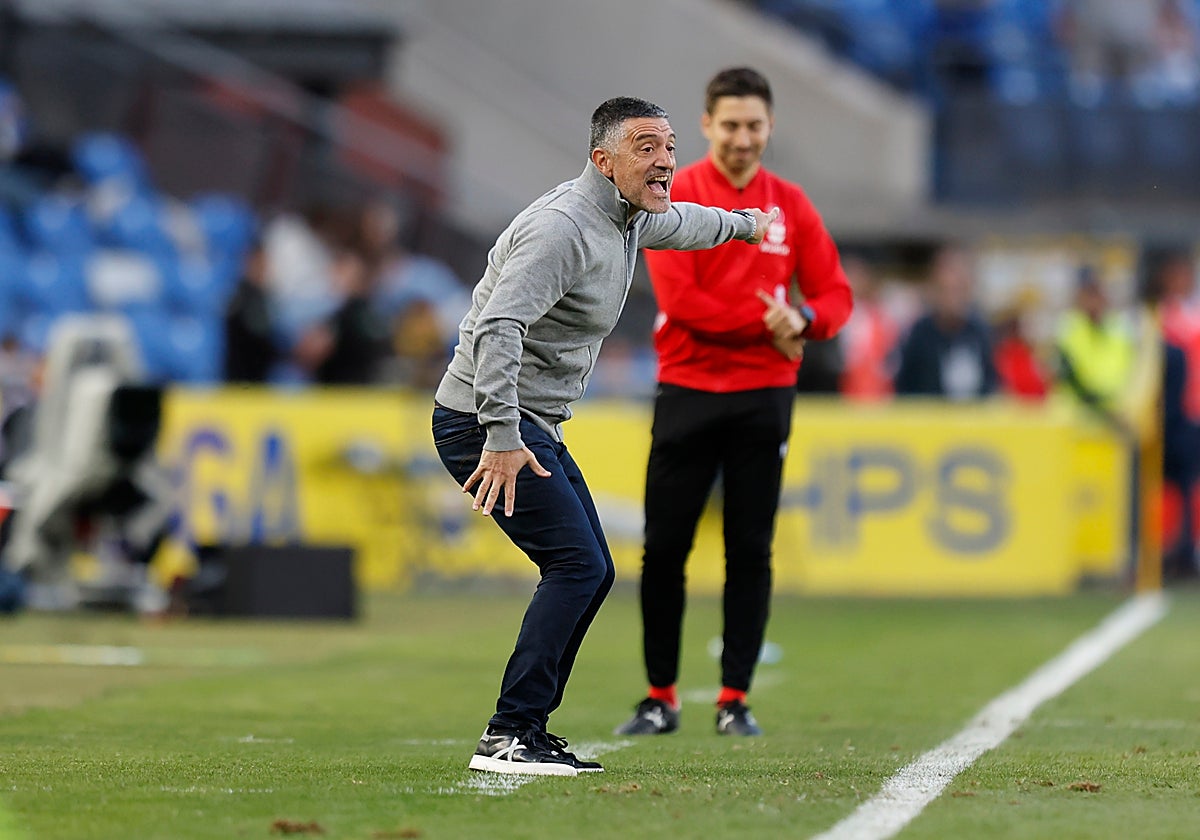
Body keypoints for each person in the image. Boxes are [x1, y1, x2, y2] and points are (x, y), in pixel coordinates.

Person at [430, 96, 780, 776]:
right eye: (647, 147)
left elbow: (682, 223)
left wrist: (742, 225)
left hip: (523, 423)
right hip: (487, 423)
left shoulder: (623, 216)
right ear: (603, 159)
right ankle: (509, 733)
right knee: (577, 567)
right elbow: (499, 328)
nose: (667, 161)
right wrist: (500, 433)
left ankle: (524, 727)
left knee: (593, 570)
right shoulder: (563, 229)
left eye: (670, 146)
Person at [614, 68, 852, 739]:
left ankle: (733, 699)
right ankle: (659, 694)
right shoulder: (675, 195)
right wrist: (777, 324)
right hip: (688, 388)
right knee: (665, 547)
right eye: (731, 125)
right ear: (706, 125)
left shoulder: (791, 205)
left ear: (769, 128)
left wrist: (803, 321)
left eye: (754, 126)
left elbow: (835, 296)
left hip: (763, 396)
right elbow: (683, 302)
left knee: (750, 548)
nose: (743, 138)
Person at [894, 244, 998, 400]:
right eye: (946, 290)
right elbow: (905, 387)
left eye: (959, 290)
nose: (952, 300)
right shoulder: (920, 333)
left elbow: (991, 383)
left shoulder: (980, 332)